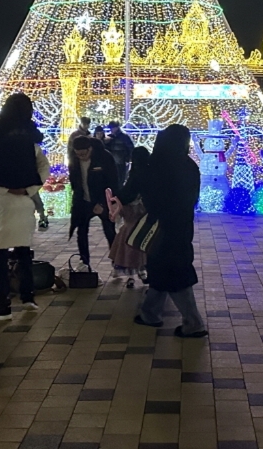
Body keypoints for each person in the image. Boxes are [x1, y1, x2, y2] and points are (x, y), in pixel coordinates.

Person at [117, 124, 207, 337]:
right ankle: (150, 313)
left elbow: (130, 192)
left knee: (174, 273)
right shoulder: (189, 166)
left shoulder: (153, 166)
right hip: (182, 226)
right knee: (163, 269)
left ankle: (193, 323)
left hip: (158, 227)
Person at [0, 93, 50, 319]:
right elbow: (43, 167)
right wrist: (29, 189)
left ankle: (2, 304)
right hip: (24, 202)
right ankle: (28, 297)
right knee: (23, 250)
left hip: (0, 202)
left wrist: (1, 187)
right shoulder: (31, 138)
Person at [69, 136, 118, 270]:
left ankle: (116, 261)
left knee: (110, 231)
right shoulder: (75, 161)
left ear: (90, 149)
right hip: (84, 201)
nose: (81, 157)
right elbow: (74, 181)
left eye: (84, 154)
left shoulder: (104, 157)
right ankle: (84, 261)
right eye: (78, 154)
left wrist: (102, 203)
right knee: (81, 231)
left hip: (103, 201)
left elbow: (112, 182)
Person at [111, 146, 152, 287]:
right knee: (143, 250)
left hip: (129, 225)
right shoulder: (150, 175)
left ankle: (131, 277)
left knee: (129, 251)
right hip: (145, 222)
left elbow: (124, 196)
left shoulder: (132, 176)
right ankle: (143, 272)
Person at [105, 121, 134, 187]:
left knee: (120, 179)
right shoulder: (111, 137)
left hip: (120, 162)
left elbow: (130, 148)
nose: (111, 130)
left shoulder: (124, 137)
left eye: (112, 128)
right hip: (115, 162)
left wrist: (127, 158)